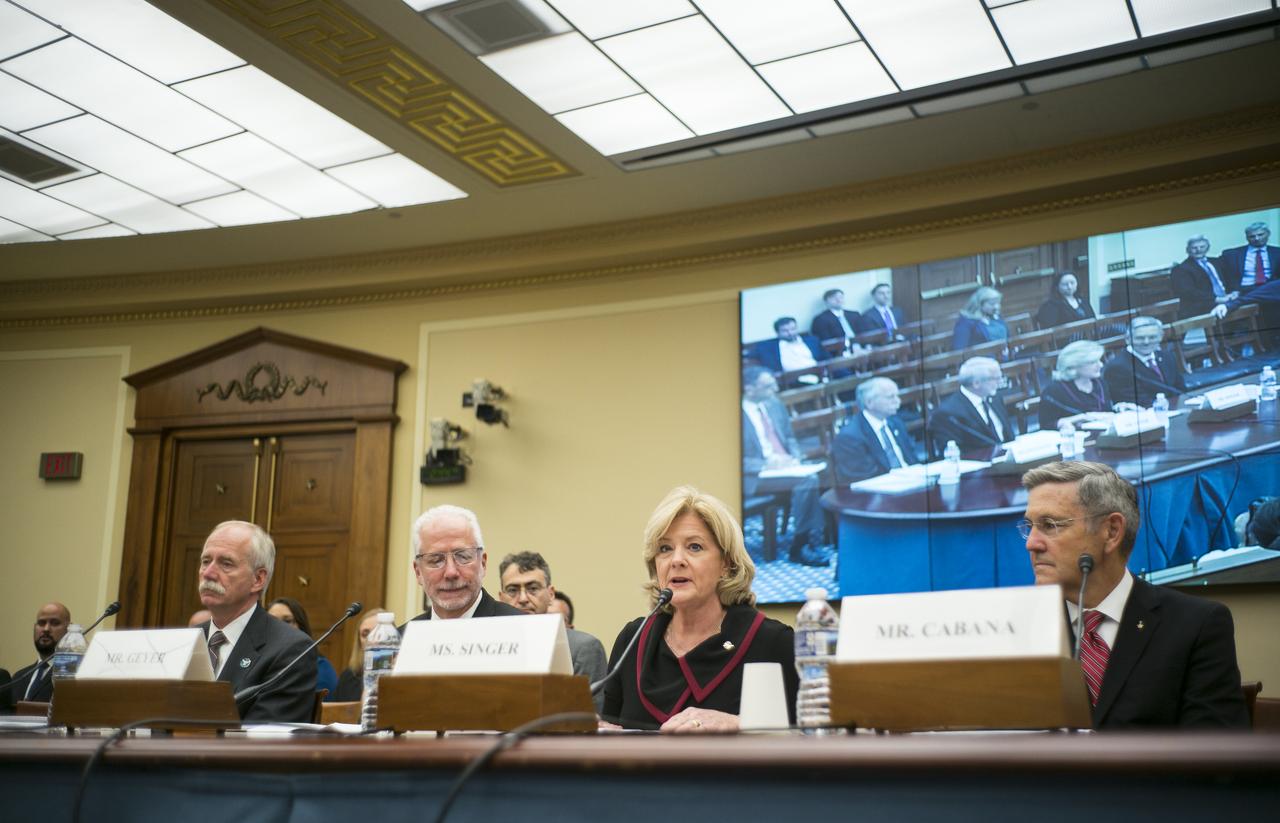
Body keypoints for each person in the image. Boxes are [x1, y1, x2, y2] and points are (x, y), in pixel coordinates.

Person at [1020, 461, 1248, 728]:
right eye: (1029, 526)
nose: (1031, 543)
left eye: (1050, 525)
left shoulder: (1196, 625)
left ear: (1111, 531)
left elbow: (1214, 755)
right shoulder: (1019, 629)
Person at [601, 486, 799, 732]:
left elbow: (812, 737)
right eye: (665, 549)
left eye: (694, 547)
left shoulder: (772, 642)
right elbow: (609, 727)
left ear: (726, 564)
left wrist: (739, 724)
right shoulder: (633, 640)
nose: (676, 560)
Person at [196, 521, 315, 723]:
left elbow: (263, 740)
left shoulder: (290, 650)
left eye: (226, 563)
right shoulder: (187, 639)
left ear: (258, 580)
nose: (208, 573)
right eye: (206, 561)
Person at [740, 365, 827, 566]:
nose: (775, 390)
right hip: (753, 475)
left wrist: (794, 456)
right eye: (768, 386)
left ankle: (822, 537)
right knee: (808, 480)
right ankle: (801, 545)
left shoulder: (774, 404)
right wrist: (765, 464)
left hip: (785, 468)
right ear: (749, 388)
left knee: (824, 472)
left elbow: (789, 437)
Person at [498, 551, 608, 710]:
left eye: (533, 588)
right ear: (501, 598)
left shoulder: (582, 648)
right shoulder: (490, 644)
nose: (522, 598)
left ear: (550, 594)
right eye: (513, 590)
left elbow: (588, 720)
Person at [404, 504, 526, 622]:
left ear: (482, 564)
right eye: (436, 560)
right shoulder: (401, 640)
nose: (451, 572)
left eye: (463, 557)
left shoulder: (522, 629)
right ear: (418, 572)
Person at [832, 377, 920, 484]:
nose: (898, 401)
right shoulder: (850, 437)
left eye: (897, 396)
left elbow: (912, 460)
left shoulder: (895, 423)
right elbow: (864, 478)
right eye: (890, 397)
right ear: (869, 402)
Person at [929, 357, 1014, 452]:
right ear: (976, 383)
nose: (999, 382)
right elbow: (955, 453)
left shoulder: (995, 398)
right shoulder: (947, 414)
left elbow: (1008, 436)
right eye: (995, 378)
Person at [1102, 316, 1186, 407]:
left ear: (1161, 337)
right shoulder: (1117, 368)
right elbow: (1134, 402)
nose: (1146, 342)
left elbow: (1181, 389)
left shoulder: (1167, 356)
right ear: (1128, 339)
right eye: (1140, 338)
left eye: (1152, 337)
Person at [266, 597, 339, 701]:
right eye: (273, 621)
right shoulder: (258, 661)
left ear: (301, 626)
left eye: (287, 621)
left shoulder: (319, 667)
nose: (279, 627)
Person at [1, 602, 70, 709]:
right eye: (41, 623)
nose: (46, 629)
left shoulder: (72, 676)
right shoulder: (19, 677)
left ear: (69, 630)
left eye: (55, 623)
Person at [1039, 340, 1114, 430]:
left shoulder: (1100, 383)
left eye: (1099, 360)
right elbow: (1046, 426)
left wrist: (1118, 408)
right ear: (1074, 365)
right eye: (1093, 362)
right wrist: (1077, 419)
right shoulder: (1054, 391)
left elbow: (1107, 413)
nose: (1101, 365)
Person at [1171, 234, 1237, 319]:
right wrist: (1217, 299)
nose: (1198, 250)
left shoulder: (1217, 261)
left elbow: (1231, 279)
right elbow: (1189, 292)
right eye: (1194, 248)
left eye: (1202, 247)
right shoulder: (1181, 269)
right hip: (1202, 306)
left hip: (1227, 300)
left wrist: (1235, 292)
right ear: (1187, 250)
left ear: (1207, 248)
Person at [331, 607, 387, 702]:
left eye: (378, 633)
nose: (371, 639)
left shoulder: (402, 675)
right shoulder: (349, 677)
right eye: (365, 634)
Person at [750, 316, 830, 380]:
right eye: (785, 331)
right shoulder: (767, 347)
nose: (790, 333)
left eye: (793, 329)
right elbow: (750, 356)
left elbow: (826, 357)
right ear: (777, 333)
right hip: (791, 380)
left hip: (818, 374)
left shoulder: (812, 340)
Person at [1217, 222, 1276, 292]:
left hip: (1271, 289)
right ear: (1247, 237)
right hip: (1244, 289)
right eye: (1252, 236)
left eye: (1260, 235)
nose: (1257, 238)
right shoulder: (1231, 254)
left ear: (1268, 234)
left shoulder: (1277, 253)